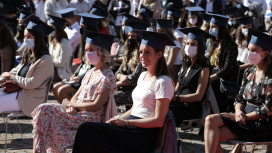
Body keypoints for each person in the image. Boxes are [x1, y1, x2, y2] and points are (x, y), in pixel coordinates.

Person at [72, 30, 175, 153]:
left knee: (87, 129)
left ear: (159, 54)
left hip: (142, 134)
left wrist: (126, 122)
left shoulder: (163, 81)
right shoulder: (143, 76)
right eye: (141, 52)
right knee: (89, 130)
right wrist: (118, 118)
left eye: (147, 52)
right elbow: (134, 108)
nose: (142, 56)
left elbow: (158, 121)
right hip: (131, 125)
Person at [32, 31, 116, 153]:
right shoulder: (90, 72)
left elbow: (96, 105)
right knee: (42, 110)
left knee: (45, 111)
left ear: (101, 51)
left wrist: (73, 106)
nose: (88, 54)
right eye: (86, 50)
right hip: (78, 113)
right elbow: (76, 96)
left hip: (89, 117)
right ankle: (40, 151)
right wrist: (72, 105)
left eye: (91, 50)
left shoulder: (107, 76)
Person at [204, 28, 272, 153]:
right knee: (210, 121)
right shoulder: (249, 72)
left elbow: (267, 110)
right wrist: (238, 111)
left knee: (214, 135)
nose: (250, 53)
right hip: (243, 118)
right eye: (249, 49)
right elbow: (239, 97)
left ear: (265, 53)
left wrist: (242, 116)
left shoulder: (270, 77)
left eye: (254, 50)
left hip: (260, 124)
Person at [0, 18, 54, 116]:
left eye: (29, 36)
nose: (25, 39)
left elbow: (31, 83)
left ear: (37, 38)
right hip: (19, 92)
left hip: (30, 99)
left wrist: (12, 77)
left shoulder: (45, 60)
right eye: (25, 36)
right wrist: (3, 78)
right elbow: (15, 70)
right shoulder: (28, 53)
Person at [170, 27, 211, 126]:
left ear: (200, 47)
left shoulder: (203, 68)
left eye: (193, 44)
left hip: (191, 107)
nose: (189, 46)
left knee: (165, 111)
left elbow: (198, 96)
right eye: (187, 44)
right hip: (178, 103)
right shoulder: (185, 65)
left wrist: (176, 98)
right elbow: (178, 87)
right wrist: (170, 96)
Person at [207, 13, 238, 112]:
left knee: (217, 107)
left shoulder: (230, 45)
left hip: (221, 80)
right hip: (211, 78)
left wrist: (211, 78)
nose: (211, 29)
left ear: (221, 28)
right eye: (210, 26)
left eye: (213, 27)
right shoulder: (213, 43)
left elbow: (227, 68)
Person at [114, 20, 148, 106]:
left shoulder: (142, 55)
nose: (130, 38)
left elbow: (132, 79)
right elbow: (117, 73)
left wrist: (111, 86)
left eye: (133, 36)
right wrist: (121, 76)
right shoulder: (128, 53)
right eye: (129, 36)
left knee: (108, 97)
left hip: (135, 91)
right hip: (124, 89)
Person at [48, 15, 73, 82]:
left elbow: (61, 63)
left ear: (56, 28)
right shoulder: (52, 41)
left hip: (62, 74)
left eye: (51, 27)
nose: (48, 29)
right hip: (52, 71)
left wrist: (47, 61)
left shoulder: (65, 43)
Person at [156, 19, 181, 84]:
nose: (159, 33)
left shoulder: (175, 44)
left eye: (161, 31)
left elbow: (170, 64)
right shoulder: (163, 42)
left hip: (173, 73)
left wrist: (157, 73)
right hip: (164, 71)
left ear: (168, 30)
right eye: (157, 31)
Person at [235, 16, 254, 84]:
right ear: (240, 29)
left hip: (248, 70)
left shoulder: (254, 43)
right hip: (237, 70)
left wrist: (240, 68)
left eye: (248, 26)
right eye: (244, 27)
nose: (246, 29)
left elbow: (253, 63)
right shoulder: (238, 42)